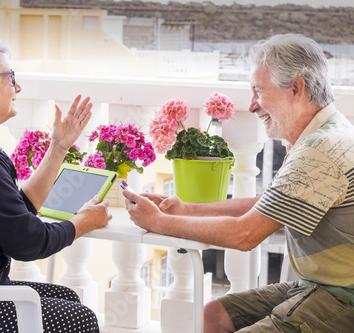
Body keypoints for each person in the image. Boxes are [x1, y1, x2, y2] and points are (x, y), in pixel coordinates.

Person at [124, 33, 354, 332]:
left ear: (296, 88)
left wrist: (158, 222)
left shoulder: (320, 150)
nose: (253, 105)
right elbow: (269, 205)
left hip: (341, 297)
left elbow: (245, 235)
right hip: (316, 286)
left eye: (258, 91)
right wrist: (186, 209)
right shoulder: (328, 130)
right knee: (214, 315)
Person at [0, 35, 111, 333]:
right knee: (80, 318)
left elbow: (18, 212)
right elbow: (28, 242)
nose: (17, 87)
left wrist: (58, 147)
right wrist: (82, 223)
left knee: (68, 296)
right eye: (10, 78)